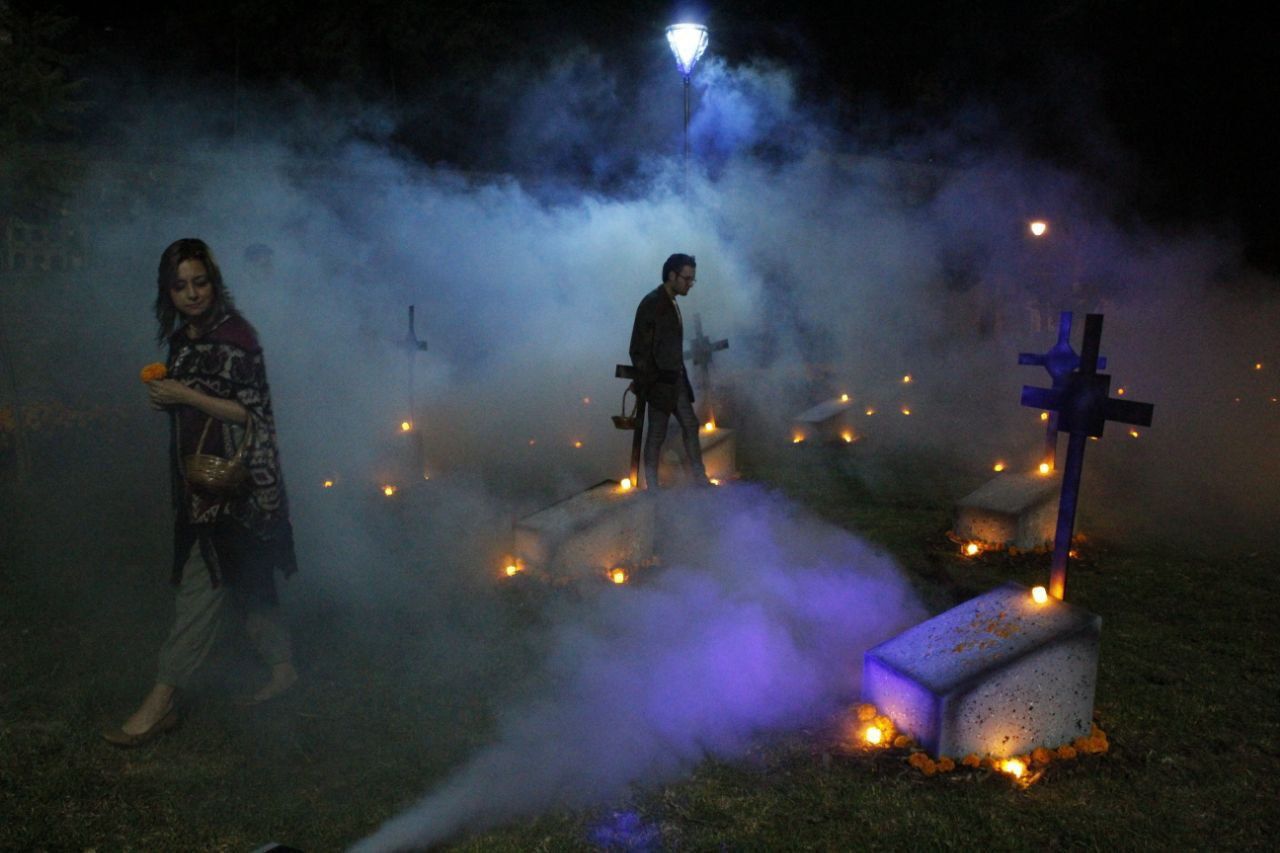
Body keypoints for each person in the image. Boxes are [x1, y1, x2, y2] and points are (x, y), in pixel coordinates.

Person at [103, 238, 299, 747]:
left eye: (200, 282)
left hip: (236, 488)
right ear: (168, 292)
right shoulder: (182, 341)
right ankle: (283, 669)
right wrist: (167, 401)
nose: (192, 293)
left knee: (201, 587)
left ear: (214, 282)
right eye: (180, 286)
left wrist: (186, 394)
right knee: (250, 580)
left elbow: (249, 413)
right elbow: (195, 405)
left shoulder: (239, 336)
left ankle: (161, 700)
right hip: (196, 480)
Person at [628, 253, 709, 489]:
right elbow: (638, 349)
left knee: (691, 426)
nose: (690, 284)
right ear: (672, 275)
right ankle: (652, 487)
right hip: (660, 385)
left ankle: (700, 479)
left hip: (676, 381)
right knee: (656, 434)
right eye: (686, 278)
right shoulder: (652, 303)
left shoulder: (671, 302)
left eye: (692, 279)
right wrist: (650, 383)